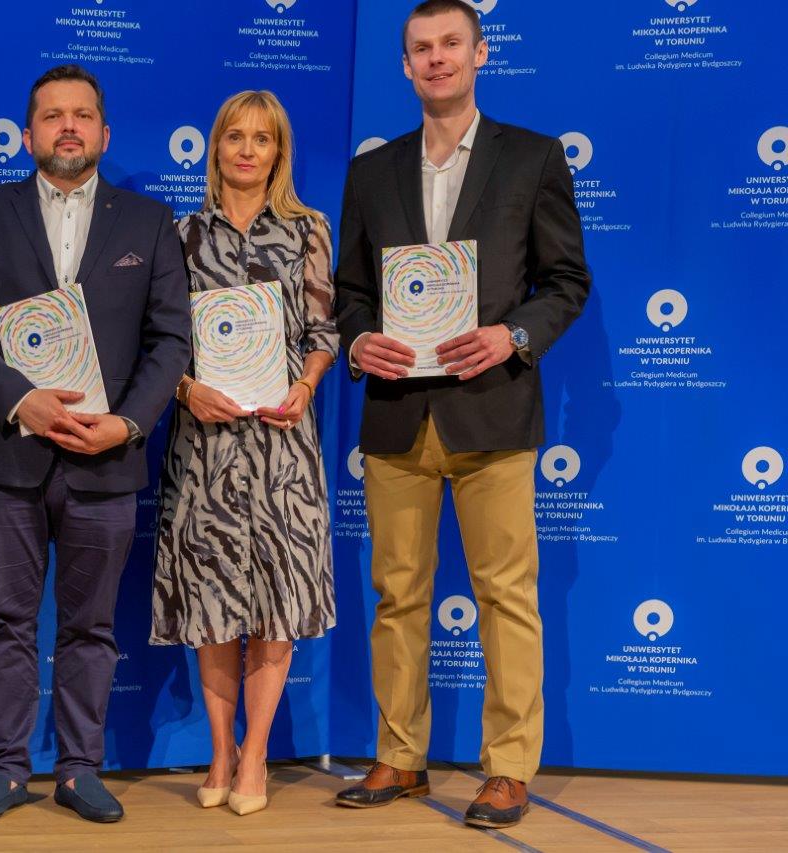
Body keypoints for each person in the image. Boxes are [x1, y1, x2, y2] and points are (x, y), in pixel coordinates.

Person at [332, 0, 591, 828]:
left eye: (451, 44)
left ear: (480, 54)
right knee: (396, 596)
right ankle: (400, 755)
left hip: (493, 411)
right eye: (421, 48)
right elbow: (349, 292)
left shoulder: (533, 157)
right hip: (397, 415)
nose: (436, 58)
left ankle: (508, 767)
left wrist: (514, 334)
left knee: (506, 596)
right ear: (405, 65)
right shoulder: (372, 170)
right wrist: (358, 339)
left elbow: (567, 282)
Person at [0, 64, 191, 824]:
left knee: (92, 625)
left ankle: (79, 769)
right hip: (5, 451)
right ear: (28, 135)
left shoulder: (149, 221)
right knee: (6, 618)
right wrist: (23, 399)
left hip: (106, 456)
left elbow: (171, 339)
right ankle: (8, 769)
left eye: (82, 115)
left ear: (105, 134)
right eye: (53, 115)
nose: (68, 127)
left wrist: (128, 422)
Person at [152, 90, 338, 817]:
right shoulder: (180, 234)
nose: (248, 150)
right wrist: (185, 389)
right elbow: (161, 342)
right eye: (236, 136)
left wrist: (305, 385)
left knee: (276, 600)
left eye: (262, 138)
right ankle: (220, 750)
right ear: (217, 147)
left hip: (282, 443)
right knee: (212, 599)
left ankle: (256, 753)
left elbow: (323, 331)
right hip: (204, 445)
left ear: (279, 151)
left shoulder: (308, 229)